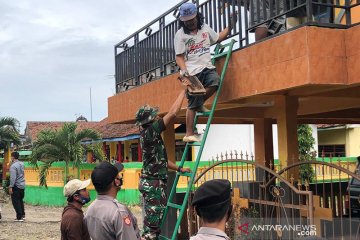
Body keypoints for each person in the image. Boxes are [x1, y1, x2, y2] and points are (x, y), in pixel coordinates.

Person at [174, 2, 235, 142]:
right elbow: (179, 57)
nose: (190, 23)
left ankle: (199, 103)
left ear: (197, 17)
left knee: (215, 82)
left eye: (192, 20)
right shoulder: (180, 35)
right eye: (187, 21)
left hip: (206, 67)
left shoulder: (205, 29)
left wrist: (231, 25)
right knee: (194, 100)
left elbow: (218, 38)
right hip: (192, 72)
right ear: (183, 21)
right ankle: (189, 133)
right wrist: (185, 73)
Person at [135, 86, 191, 239]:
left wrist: (179, 168)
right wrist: (183, 91)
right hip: (153, 183)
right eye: (155, 116)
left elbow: (162, 161)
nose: (158, 117)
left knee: (153, 222)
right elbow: (173, 113)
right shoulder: (150, 132)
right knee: (152, 229)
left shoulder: (149, 135)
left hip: (152, 181)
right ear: (150, 120)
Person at [84, 161, 140, 240]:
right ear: (116, 182)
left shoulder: (90, 209)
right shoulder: (119, 212)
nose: (121, 177)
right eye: (118, 176)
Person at [9, 151, 25, 222]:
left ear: (12, 157)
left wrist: (10, 187)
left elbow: (13, 178)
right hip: (22, 185)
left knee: (15, 201)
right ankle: (23, 215)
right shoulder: (22, 164)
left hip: (16, 186)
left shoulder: (13, 166)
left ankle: (19, 217)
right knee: (20, 201)